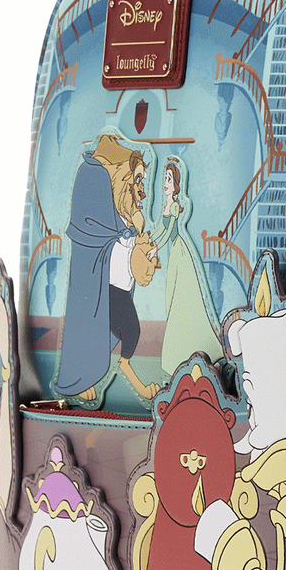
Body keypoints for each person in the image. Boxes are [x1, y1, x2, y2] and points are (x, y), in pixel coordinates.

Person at [55, 134, 160, 403]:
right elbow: (101, 237)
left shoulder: (123, 217)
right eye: (137, 179)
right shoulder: (103, 216)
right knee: (127, 331)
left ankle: (123, 371)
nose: (142, 189)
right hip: (109, 291)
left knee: (129, 332)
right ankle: (87, 378)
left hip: (118, 290)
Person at [147, 158, 224, 378]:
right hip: (173, 252)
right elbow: (159, 229)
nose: (166, 183)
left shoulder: (174, 206)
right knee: (171, 300)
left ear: (177, 184)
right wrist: (149, 241)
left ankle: (189, 354)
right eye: (165, 178)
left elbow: (170, 229)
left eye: (170, 179)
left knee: (180, 300)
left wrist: (155, 247)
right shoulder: (165, 204)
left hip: (180, 252)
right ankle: (177, 356)